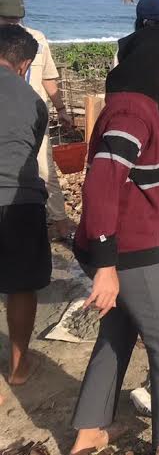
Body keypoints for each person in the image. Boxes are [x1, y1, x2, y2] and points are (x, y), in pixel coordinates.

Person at [70, 26, 159, 455]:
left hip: (133, 241)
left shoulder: (144, 106)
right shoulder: (131, 112)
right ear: (152, 60)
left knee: (119, 330)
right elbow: (103, 185)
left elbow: (147, 179)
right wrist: (107, 265)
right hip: (126, 250)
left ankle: (90, 429)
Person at [0, 0, 75, 239]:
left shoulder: (37, 39)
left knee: (44, 169)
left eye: (16, 18)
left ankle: (60, 222)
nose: (12, 23)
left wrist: (61, 109)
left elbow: (48, 77)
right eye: (6, 18)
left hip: (32, 115)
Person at [0, 25, 48, 400]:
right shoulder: (35, 100)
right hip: (22, 200)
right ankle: (18, 366)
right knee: (20, 285)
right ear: (25, 63)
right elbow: (29, 153)